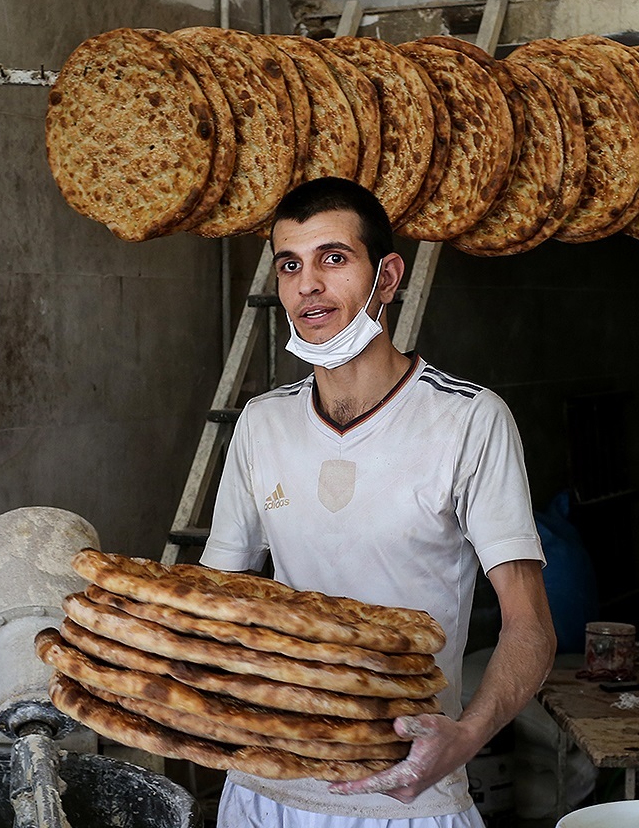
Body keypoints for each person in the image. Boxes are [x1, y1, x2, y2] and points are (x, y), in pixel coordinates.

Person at [199, 177, 557, 827]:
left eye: (333, 258)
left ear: (387, 277)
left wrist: (468, 735)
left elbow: (530, 624)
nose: (308, 284)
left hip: (405, 796)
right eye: (290, 264)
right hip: (264, 791)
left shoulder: (469, 420)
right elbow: (215, 602)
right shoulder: (260, 422)